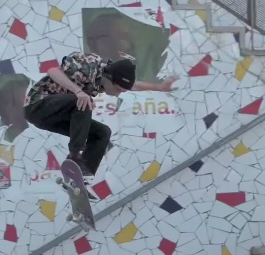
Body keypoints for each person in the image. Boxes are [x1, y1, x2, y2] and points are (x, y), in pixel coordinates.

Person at [23, 52, 177, 192]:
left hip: (55, 117)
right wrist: (78, 91)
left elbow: (133, 85)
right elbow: (53, 71)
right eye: (118, 90)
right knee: (84, 100)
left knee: (102, 133)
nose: (117, 95)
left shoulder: (110, 75)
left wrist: (160, 87)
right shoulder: (87, 67)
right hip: (37, 107)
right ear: (110, 79)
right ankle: (74, 157)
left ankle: (79, 180)